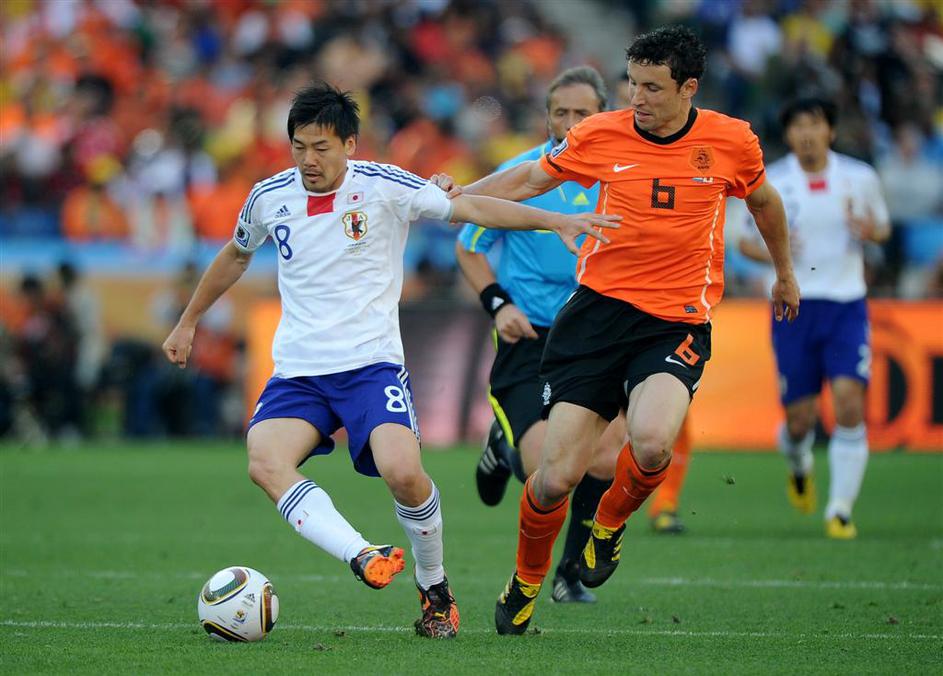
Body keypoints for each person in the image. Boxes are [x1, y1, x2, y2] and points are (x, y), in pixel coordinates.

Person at [161, 82, 617, 639]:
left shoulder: (384, 186)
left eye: (321, 147)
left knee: (403, 474)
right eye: (299, 147)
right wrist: (188, 320)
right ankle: (362, 554)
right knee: (264, 461)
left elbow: (469, 207)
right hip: (299, 372)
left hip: (371, 367)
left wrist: (552, 220)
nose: (308, 160)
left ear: (349, 144)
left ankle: (435, 588)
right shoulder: (268, 197)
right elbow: (236, 255)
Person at [435, 25, 799, 635]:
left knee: (651, 444)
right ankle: (526, 581)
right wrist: (456, 196)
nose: (638, 97)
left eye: (652, 87)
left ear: (689, 88)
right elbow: (529, 179)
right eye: (632, 83)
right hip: (597, 320)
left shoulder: (731, 140)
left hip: (676, 322)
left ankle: (606, 528)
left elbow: (764, 203)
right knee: (554, 478)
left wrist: (784, 274)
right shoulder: (601, 134)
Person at [455, 66, 623, 604]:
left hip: (594, 336)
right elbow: (469, 246)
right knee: (544, 470)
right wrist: (498, 303)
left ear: (603, 116)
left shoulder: (622, 175)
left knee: (605, 457)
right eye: (561, 113)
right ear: (546, 116)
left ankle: (569, 574)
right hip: (530, 335)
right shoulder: (520, 174)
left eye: (583, 113)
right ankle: (502, 448)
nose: (571, 122)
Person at [739, 97, 889, 539]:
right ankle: (799, 463)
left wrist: (871, 232)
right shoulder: (773, 180)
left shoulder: (860, 177)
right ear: (788, 135)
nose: (806, 133)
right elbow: (745, 243)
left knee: (848, 401)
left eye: (815, 124)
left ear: (831, 131)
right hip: (794, 306)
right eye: (798, 126)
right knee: (799, 420)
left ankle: (839, 510)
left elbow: (883, 227)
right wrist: (777, 252)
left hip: (846, 304)